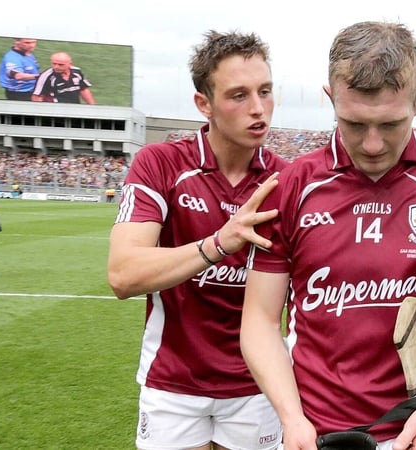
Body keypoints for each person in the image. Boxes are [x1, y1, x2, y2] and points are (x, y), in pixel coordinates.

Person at [241, 21, 416, 450]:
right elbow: (259, 318)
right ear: (330, 99)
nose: (371, 144)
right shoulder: (292, 187)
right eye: (353, 123)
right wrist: (290, 417)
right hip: (310, 432)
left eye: (390, 124)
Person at [107, 30, 287, 450]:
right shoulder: (161, 164)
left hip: (256, 384)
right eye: (238, 95)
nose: (259, 108)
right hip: (173, 381)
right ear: (203, 104)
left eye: (265, 91)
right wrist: (218, 244)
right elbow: (121, 274)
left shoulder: (288, 180)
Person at [31, 52, 96, 104]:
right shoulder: (46, 76)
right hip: (56, 111)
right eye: (54, 64)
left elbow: (83, 89)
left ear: (70, 64)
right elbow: (37, 96)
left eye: (60, 64)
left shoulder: (77, 72)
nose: (56, 67)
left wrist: (92, 107)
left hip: (75, 107)